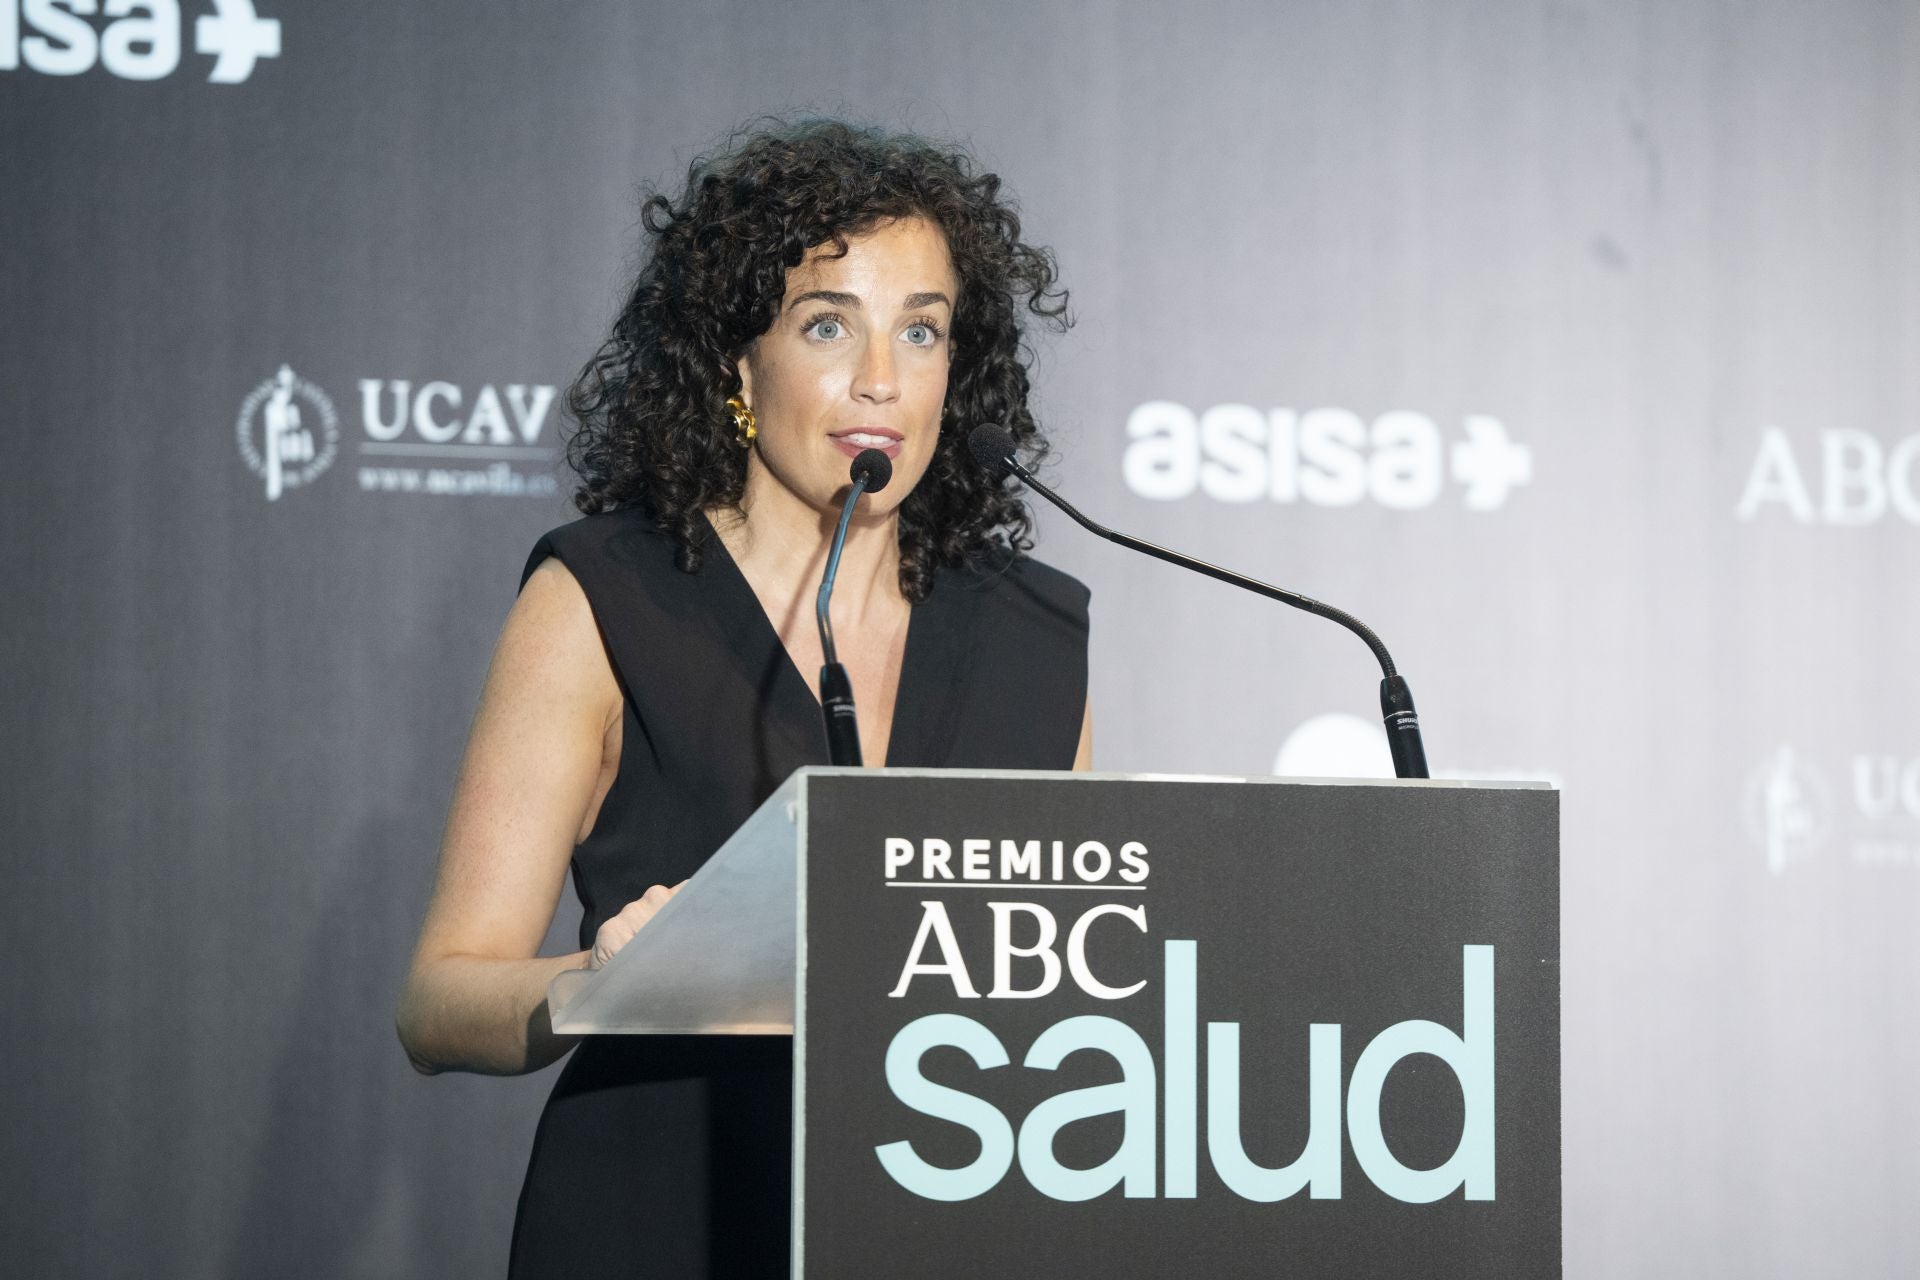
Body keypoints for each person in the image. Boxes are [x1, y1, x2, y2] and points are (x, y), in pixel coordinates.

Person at [394, 119, 1090, 1278]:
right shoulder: (603, 597)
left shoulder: (1033, 632)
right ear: (737, 366)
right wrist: (602, 982)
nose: (883, 377)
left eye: (921, 329)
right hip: (657, 1213)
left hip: (947, 1218)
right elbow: (437, 1003)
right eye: (830, 324)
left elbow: (1063, 981)